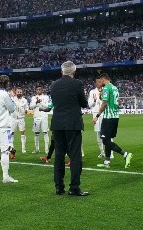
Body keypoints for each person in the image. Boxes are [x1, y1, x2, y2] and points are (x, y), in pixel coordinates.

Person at [50, 61, 89, 196]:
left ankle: (59, 187)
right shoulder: (77, 83)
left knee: (59, 156)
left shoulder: (53, 85)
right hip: (72, 123)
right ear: (74, 72)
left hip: (57, 124)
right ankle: (74, 187)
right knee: (75, 156)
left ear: (62, 71)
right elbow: (84, 103)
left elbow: (55, 102)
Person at [93, 73, 133, 169]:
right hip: (115, 116)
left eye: (100, 81)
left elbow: (105, 103)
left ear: (103, 80)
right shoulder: (114, 88)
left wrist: (97, 116)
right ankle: (107, 161)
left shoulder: (106, 88)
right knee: (107, 139)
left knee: (105, 140)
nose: (100, 83)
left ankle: (125, 154)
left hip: (108, 117)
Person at [0, 75, 18, 183]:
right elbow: (12, 108)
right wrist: (12, 98)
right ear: (6, 83)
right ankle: (5, 177)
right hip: (4, 126)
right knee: (5, 151)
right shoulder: (5, 94)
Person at [29, 86, 50, 154]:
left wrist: (40, 102)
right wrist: (36, 103)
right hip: (36, 118)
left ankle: (46, 149)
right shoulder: (33, 98)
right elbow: (30, 107)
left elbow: (47, 106)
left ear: (42, 90)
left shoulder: (46, 97)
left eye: (40, 89)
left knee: (45, 133)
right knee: (36, 133)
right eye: (37, 89)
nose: (39, 90)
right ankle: (37, 149)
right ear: (36, 90)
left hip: (44, 117)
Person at [88, 79, 106, 158]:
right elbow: (90, 105)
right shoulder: (92, 92)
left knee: (107, 133)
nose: (98, 83)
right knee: (98, 133)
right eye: (97, 82)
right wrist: (94, 101)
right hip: (96, 115)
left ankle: (110, 152)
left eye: (100, 82)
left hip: (105, 114)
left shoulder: (106, 91)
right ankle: (102, 152)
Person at [11, 88, 28, 154]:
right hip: (13, 119)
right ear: (16, 92)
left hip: (21, 119)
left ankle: (23, 148)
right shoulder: (12, 99)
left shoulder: (25, 100)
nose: (19, 93)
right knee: (11, 133)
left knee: (22, 133)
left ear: (22, 92)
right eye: (18, 92)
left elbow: (26, 108)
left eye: (20, 92)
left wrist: (26, 110)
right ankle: (12, 147)